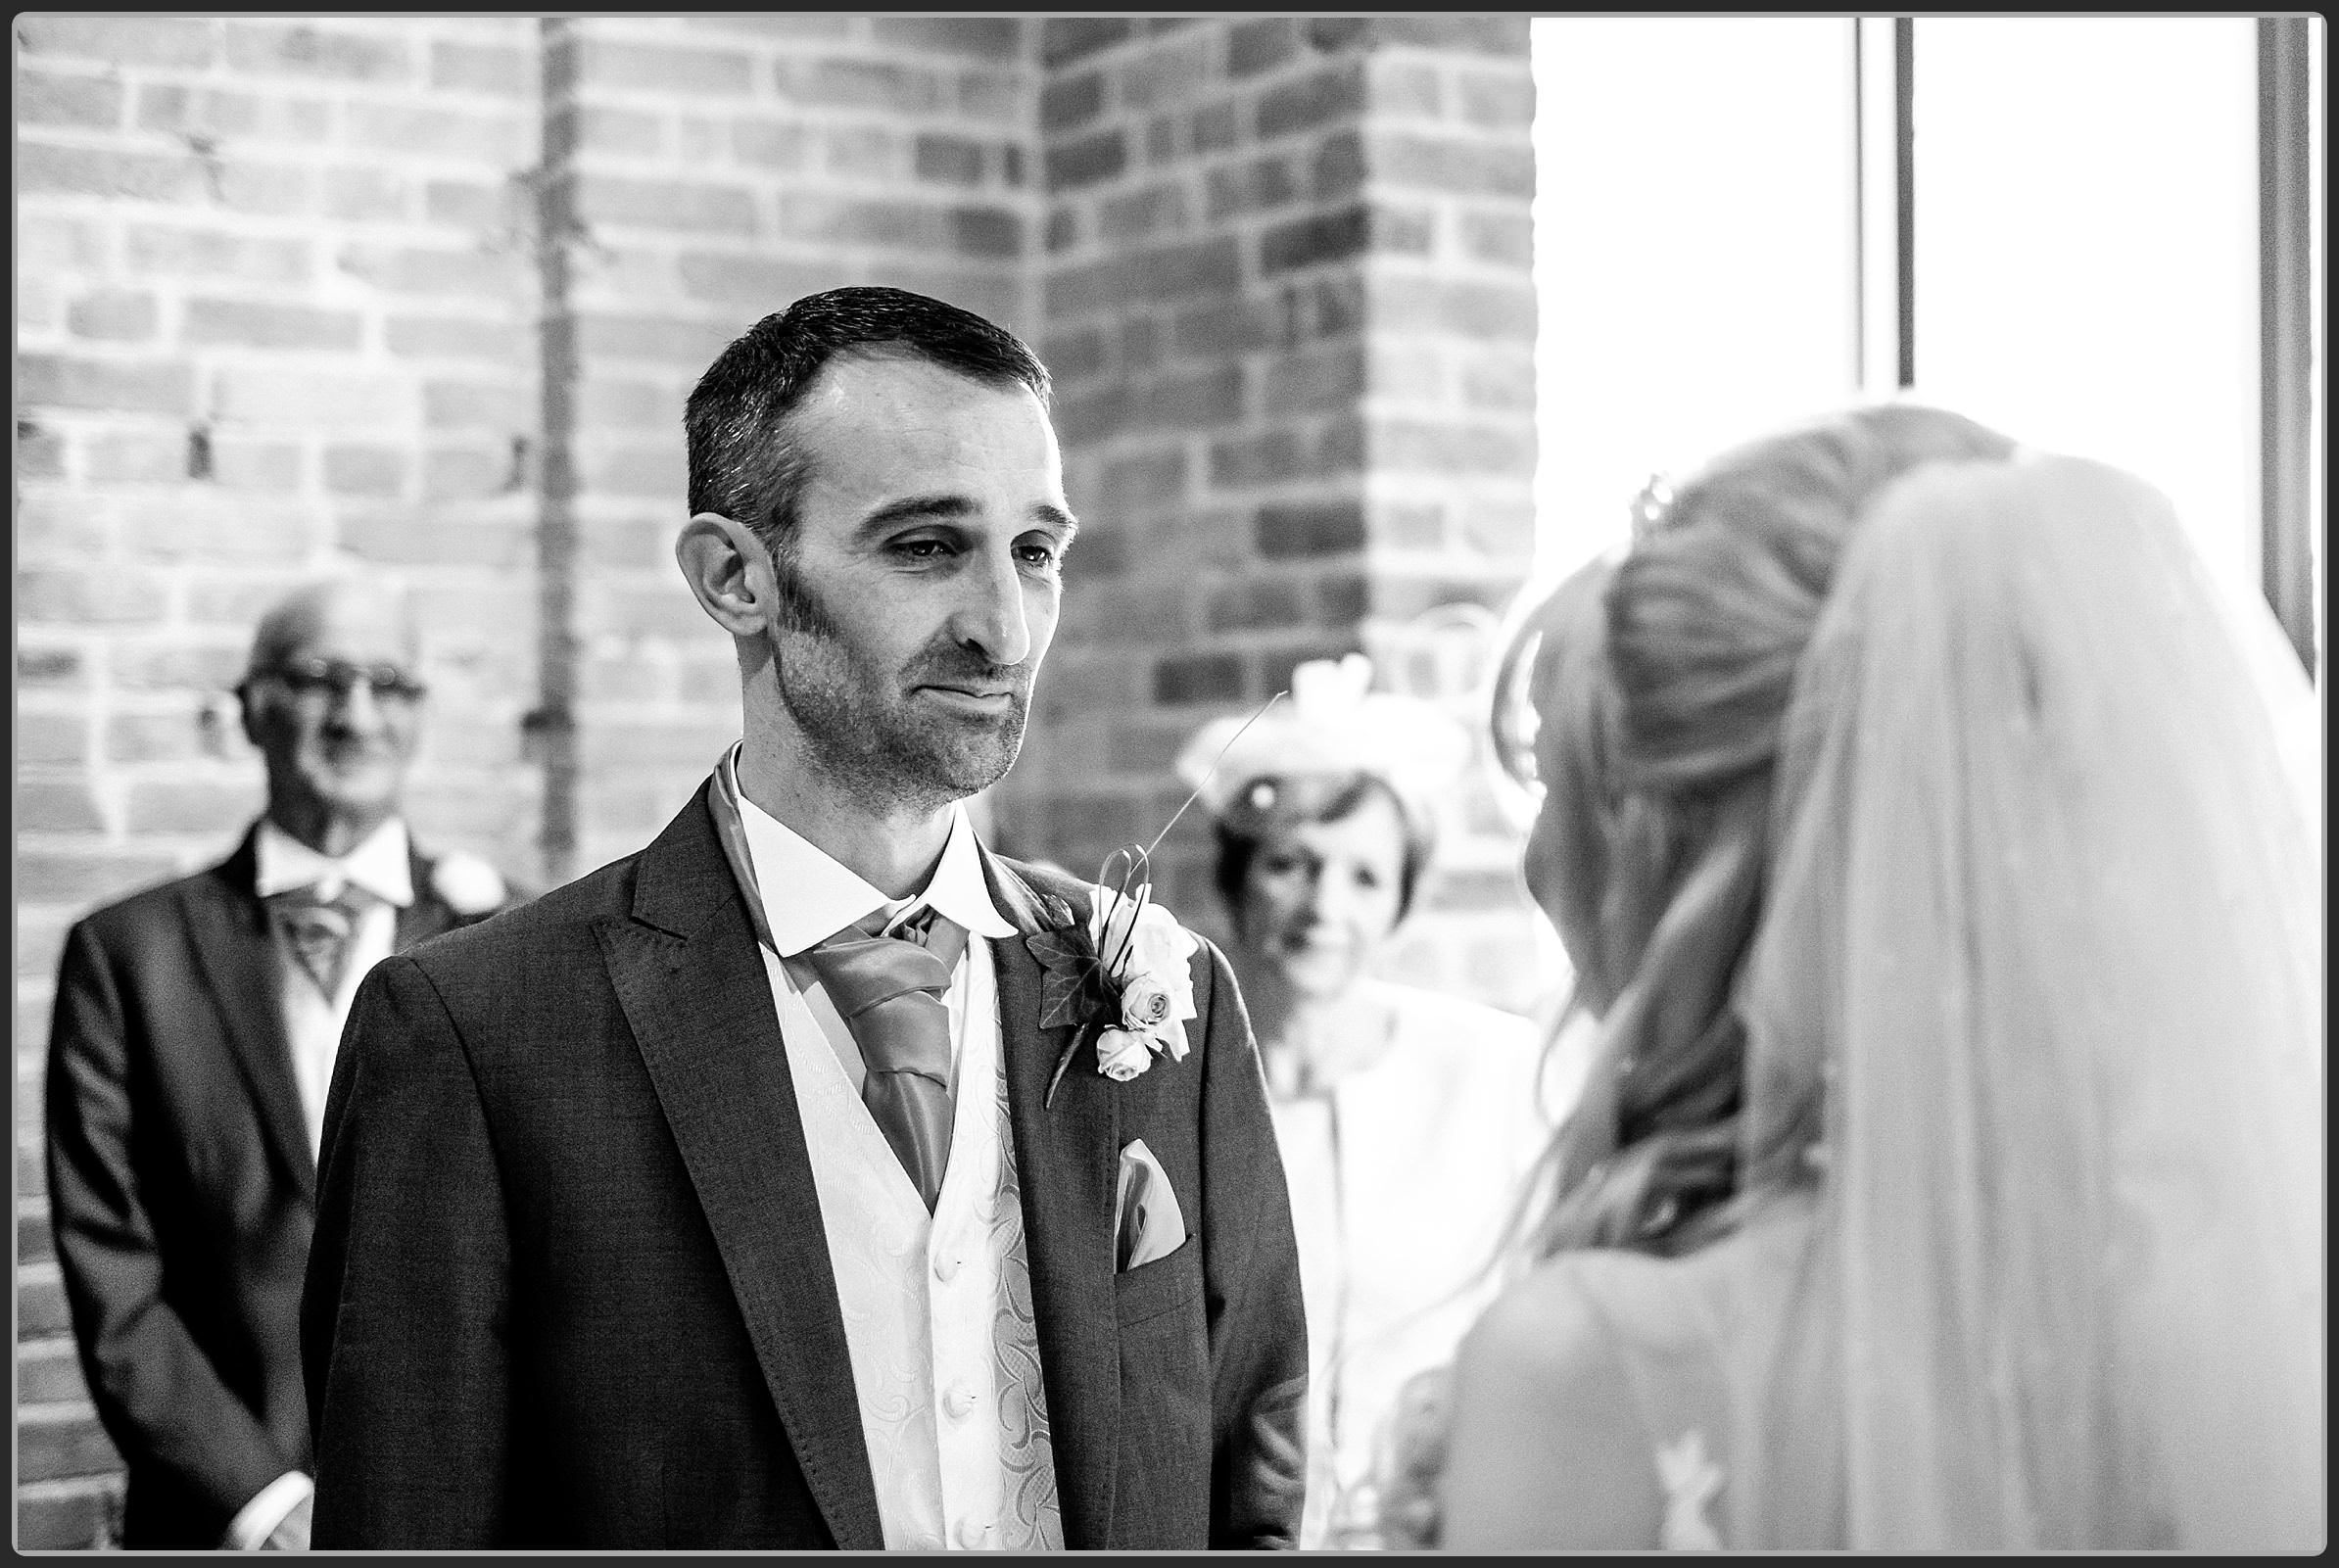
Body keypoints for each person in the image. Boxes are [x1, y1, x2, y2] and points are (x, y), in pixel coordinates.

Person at [300, 286, 1310, 1551]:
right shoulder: (476, 1033)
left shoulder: (1175, 1001)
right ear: (736, 577)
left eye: (1036, 552)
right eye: (928, 546)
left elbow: (1251, 1489)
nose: (1005, 628)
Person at [1413, 404, 2323, 1549]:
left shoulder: (1601, 1358)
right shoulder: (2255, 1311)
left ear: (1688, 851)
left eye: (1570, 793)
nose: (1538, 866)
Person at [44, 576, 515, 1550]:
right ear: (252, 708)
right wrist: (261, 1499)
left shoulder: (513, 935)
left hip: (461, 1515)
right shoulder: (129, 954)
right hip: (217, 1519)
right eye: (317, 679)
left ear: (419, 714)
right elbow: (114, 1279)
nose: (355, 714)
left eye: (388, 682)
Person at [1174, 651, 1551, 1548]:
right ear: (1235, 880)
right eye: (1291, 865)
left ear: (1403, 903)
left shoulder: (1495, 1071)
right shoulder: (1169, 1078)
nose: (1324, 906)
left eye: (1364, 877)